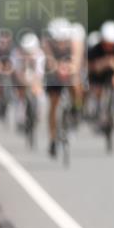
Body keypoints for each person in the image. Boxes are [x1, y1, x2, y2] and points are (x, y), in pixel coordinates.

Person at [43, 18, 81, 158]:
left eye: (63, 41)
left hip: (69, 70)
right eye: (57, 41)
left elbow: (77, 60)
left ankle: (76, 109)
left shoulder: (75, 41)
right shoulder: (46, 43)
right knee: (53, 104)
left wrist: (70, 68)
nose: (60, 44)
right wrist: (56, 68)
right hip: (53, 72)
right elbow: (49, 61)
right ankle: (52, 138)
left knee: (76, 84)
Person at [87, 20, 114, 131]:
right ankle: (97, 111)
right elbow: (90, 67)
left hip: (113, 74)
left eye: (112, 45)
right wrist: (102, 64)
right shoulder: (95, 49)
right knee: (96, 90)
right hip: (98, 76)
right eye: (107, 44)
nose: (109, 47)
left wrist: (113, 63)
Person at [12, 32, 46, 132]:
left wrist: (34, 85)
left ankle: (38, 113)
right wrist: (23, 82)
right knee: (19, 95)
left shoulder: (40, 55)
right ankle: (20, 116)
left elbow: (39, 75)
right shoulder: (16, 54)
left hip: (34, 78)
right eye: (25, 52)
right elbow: (17, 73)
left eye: (30, 53)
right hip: (20, 78)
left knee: (40, 94)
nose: (27, 55)